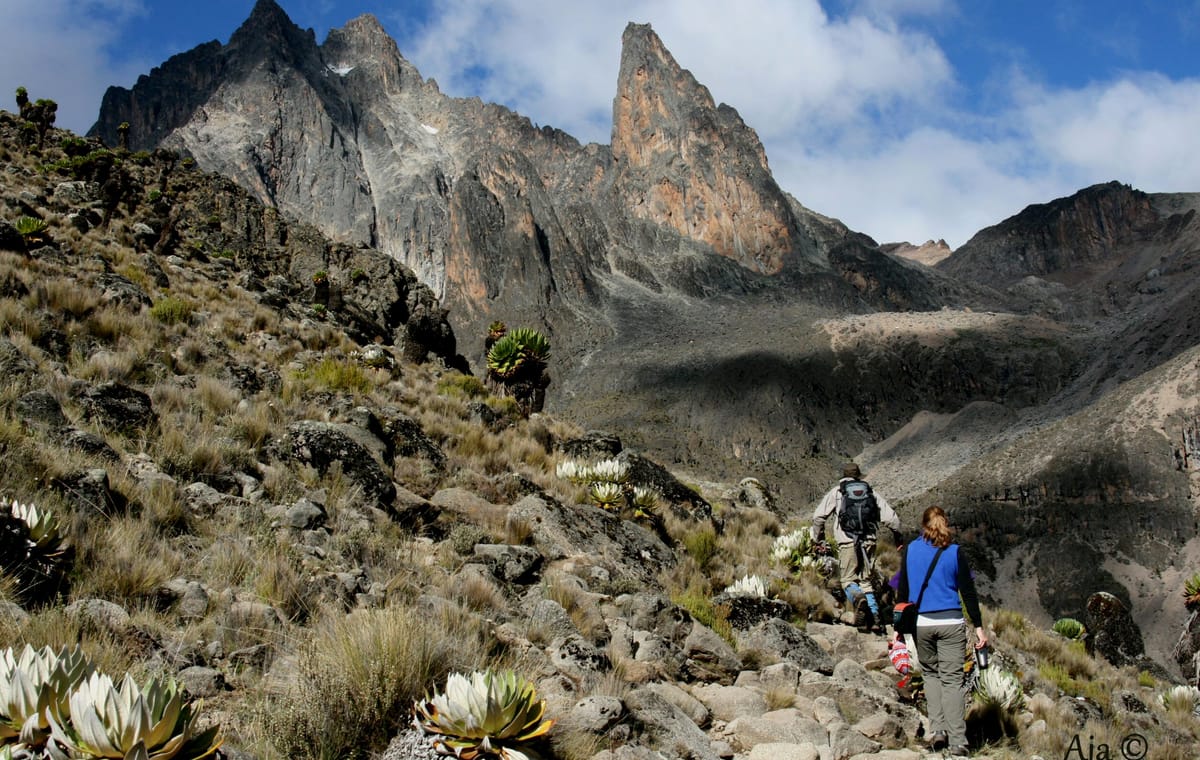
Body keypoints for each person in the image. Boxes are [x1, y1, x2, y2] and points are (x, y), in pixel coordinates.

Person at [895, 505, 988, 757]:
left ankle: (937, 731)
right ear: (944, 523)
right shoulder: (955, 552)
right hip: (951, 623)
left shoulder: (911, 549)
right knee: (952, 681)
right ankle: (958, 740)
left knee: (931, 676)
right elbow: (968, 593)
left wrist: (898, 628)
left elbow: (902, 589)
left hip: (922, 624)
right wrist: (978, 628)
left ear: (923, 525)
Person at [811, 462, 902, 633]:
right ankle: (874, 619)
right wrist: (898, 537)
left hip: (847, 542)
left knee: (847, 580)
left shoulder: (838, 492)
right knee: (866, 580)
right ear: (859, 475)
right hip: (869, 542)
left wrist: (818, 538)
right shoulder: (870, 492)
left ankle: (858, 599)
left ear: (843, 475)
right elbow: (891, 518)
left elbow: (818, 517)